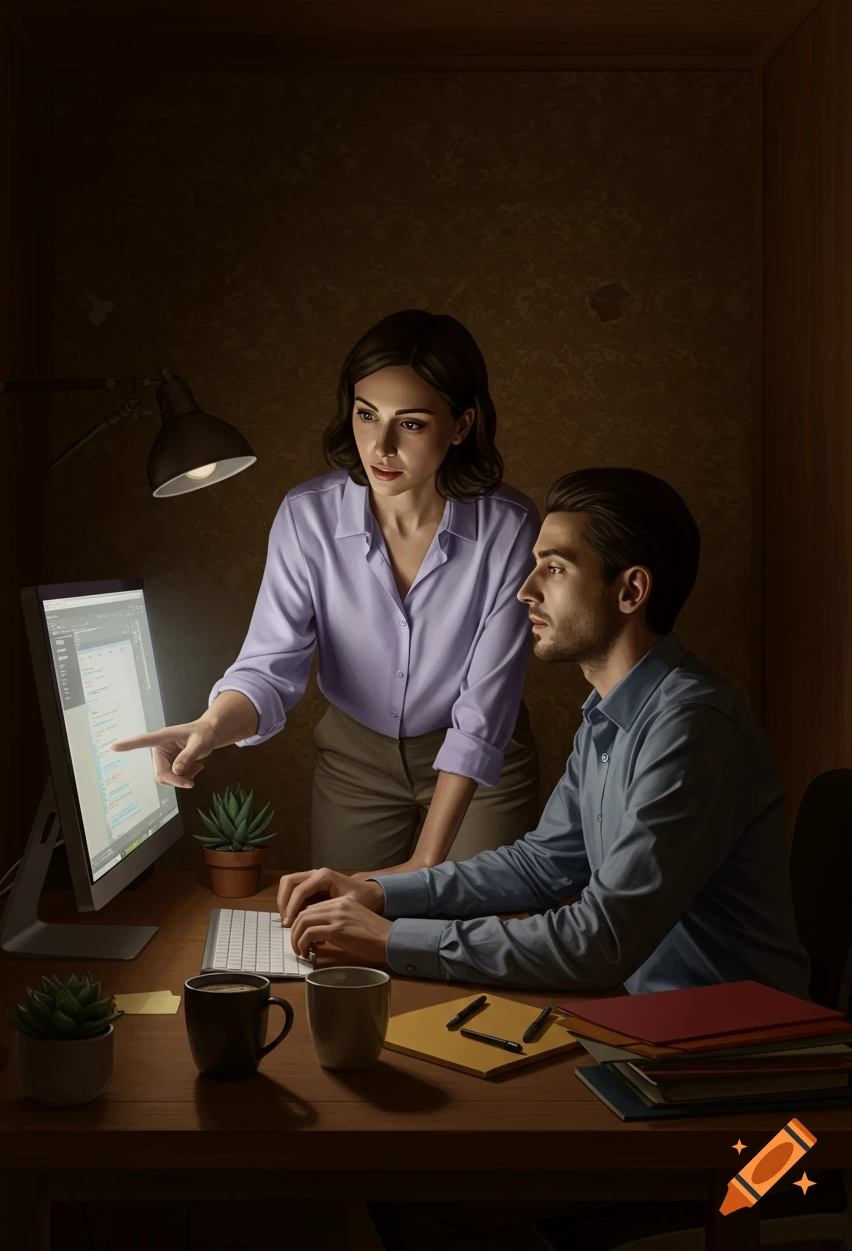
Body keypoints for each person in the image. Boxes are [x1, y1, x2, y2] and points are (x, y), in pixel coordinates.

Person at [274, 465, 811, 1251]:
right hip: (649, 1035)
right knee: (404, 1151)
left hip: (728, 1087)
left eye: (553, 569)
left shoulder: (690, 730)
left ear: (630, 592)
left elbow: (598, 943)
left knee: (422, 1189)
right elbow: (538, 866)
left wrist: (389, 945)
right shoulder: (614, 713)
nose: (524, 589)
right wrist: (377, 892)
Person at [111, 309, 541, 872]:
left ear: (460, 426)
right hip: (354, 761)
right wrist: (210, 728)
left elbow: (486, 706)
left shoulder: (510, 526)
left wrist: (424, 867)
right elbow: (269, 667)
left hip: (480, 766)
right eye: (367, 415)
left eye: (410, 423)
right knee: (339, 936)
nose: (380, 445)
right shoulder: (305, 517)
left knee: (473, 937)